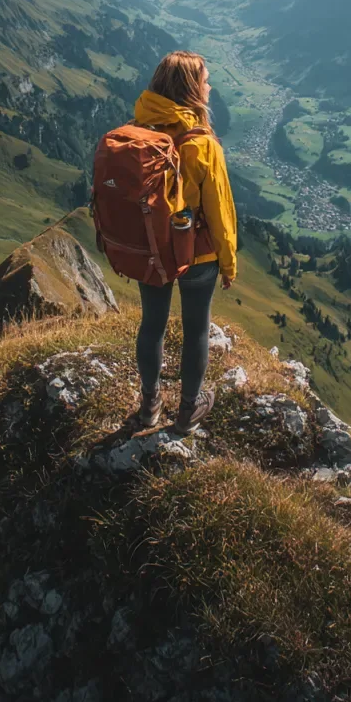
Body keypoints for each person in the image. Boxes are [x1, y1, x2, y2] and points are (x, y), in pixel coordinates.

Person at [132, 50, 237, 434]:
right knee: (195, 329)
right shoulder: (201, 142)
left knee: (152, 324)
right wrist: (228, 264)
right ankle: (188, 410)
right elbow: (220, 210)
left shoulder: (140, 131)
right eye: (205, 80)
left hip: (153, 249)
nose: (210, 86)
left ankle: (149, 405)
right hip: (197, 252)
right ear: (192, 88)